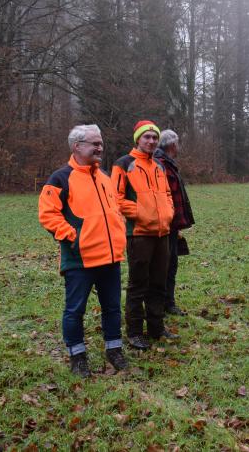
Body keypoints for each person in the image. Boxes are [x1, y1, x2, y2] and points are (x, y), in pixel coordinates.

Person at [38, 124, 129, 377]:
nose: (100, 147)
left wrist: (119, 233)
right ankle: (77, 356)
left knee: (112, 307)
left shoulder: (105, 177)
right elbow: (47, 215)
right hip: (80, 259)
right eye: (94, 143)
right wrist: (72, 237)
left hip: (110, 257)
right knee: (75, 309)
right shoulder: (60, 178)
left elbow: (115, 212)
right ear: (77, 146)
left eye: (100, 143)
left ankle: (114, 349)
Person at [111, 120, 175, 350]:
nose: (151, 141)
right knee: (138, 284)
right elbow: (116, 199)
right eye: (146, 137)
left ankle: (157, 328)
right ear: (138, 138)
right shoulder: (123, 164)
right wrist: (141, 213)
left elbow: (167, 193)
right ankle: (135, 332)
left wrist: (167, 213)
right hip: (138, 233)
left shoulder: (159, 165)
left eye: (154, 137)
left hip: (162, 232)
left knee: (159, 282)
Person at [154, 130, 196, 316]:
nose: (178, 146)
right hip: (163, 226)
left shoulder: (168, 164)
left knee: (171, 265)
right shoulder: (160, 165)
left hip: (171, 225)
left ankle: (168, 303)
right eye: (177, 143)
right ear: (172, 145)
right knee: (164, 267)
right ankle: (162, 304)